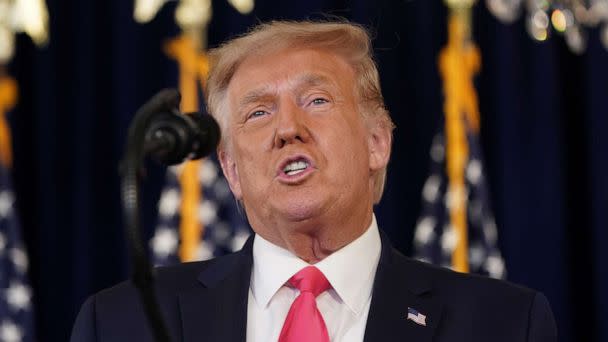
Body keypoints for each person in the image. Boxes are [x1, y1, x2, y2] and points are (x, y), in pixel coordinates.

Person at [71, 20, 557, 342]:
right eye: (259, 112)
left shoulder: (504, 324)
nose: (287, 128)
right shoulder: (121, 323)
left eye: (317, 100)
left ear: (377, 143)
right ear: (232, 171)